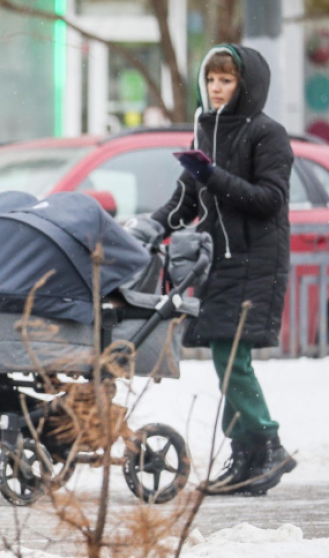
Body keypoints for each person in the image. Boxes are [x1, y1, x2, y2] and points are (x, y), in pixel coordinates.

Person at [142, 44, 297, 496]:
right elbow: (185, 201)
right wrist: (149, 228)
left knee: (232, 358)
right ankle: (247, 456)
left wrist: (213, 176)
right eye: (211, 79)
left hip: (256, 260)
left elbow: (269, 199)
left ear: (244, 86)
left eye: (226, 80)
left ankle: (267, 444)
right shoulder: (205, 131)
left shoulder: (268, 134)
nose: (216, 88)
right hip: (221, 260)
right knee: (224, 358)